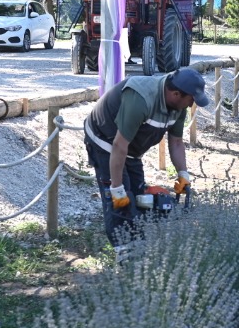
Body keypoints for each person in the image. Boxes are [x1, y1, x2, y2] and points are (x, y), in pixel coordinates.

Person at [83, 66, 209, 245]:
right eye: (191, 100)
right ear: (176, 94)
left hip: (131, 150)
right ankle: (125, 253)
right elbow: (119, 146)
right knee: (120, 204)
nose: (191, 105)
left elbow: (176, 142)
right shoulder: (141, 99)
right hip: (105, 141)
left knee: (139, 200)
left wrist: (183, 174)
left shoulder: (178, 107)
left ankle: (138, 247)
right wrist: (117, 189)